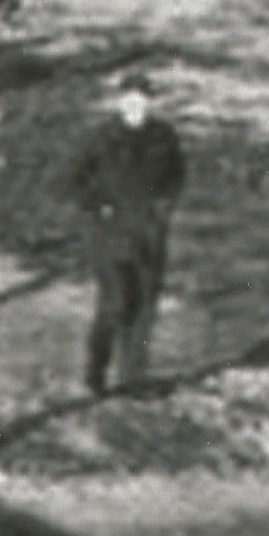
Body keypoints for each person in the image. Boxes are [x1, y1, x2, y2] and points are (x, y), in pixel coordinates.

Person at [68, 75, 188, 397]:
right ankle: (95, 373)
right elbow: (72, 180)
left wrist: (165, 208)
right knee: (117, 303)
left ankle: (133, 380)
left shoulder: (164, 136)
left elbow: (177, 175)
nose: (138, 107)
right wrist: (98, 207)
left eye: (144, 100)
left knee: (145, 307)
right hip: (110, 234)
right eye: (131, 100)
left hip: (149, 232)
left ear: (152, 103)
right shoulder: (100, 137)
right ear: (120, 102)